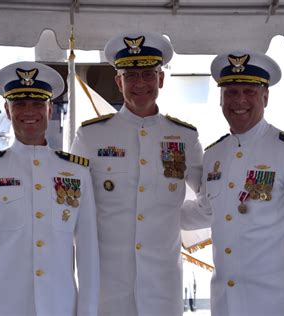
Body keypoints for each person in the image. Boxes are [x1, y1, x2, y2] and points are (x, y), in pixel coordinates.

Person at [182, 51, 284, 316]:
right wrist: (149, 209)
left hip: (275, 306)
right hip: (225, 305)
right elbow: (208, 211)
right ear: (221, 98)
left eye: (249, 91)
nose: (239, 100)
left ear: (265, 97)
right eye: (231, 92)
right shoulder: (214, 155)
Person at [0, 61, 99, 316]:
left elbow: (88, 251)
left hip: (59, 307)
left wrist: (87, 312)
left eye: (38, 103)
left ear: (50, 109)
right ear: (7, 111)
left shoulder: (77, 172)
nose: (29, 111)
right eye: (19, 103)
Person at [70, 32, 203, 316]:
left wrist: (172, 216)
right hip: (108, 285)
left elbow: (212, 198)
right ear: (119, 82)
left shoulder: (183, 136)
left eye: (147, 74)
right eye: (130, 76)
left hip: (163, 286)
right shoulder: (91, 136)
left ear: (161, 80)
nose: (139, 83)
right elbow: (69, 204)